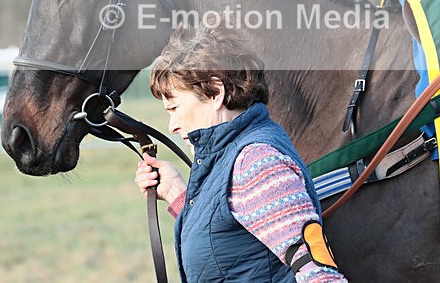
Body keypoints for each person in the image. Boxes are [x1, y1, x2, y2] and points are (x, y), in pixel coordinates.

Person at [134, 20, 348, 282]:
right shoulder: (230, 156)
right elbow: (232, 246)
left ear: (215, 92)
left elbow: (320, 275)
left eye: (175, 109)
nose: (172, 126)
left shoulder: (257, 163)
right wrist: (177, 194)